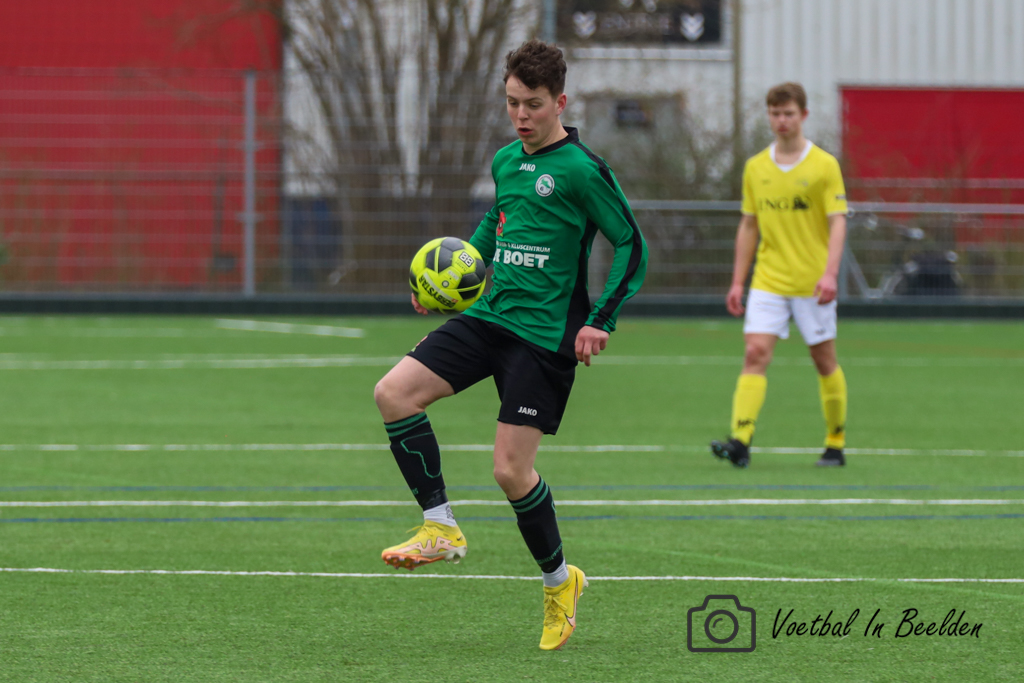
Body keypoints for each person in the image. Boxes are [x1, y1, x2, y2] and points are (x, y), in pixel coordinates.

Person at [373, 39, 648, 650]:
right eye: (513, 102)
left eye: (533, 104)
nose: (521, 115)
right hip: (489, 317)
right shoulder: (505, 162)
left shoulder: (582, 170)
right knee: (393, 393)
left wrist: (601, 319)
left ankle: (560, 583)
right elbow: (494, 226)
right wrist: (451, 279)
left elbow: (632, 243)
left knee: (510, 470)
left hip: (544, 338)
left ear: (560, 103)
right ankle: (440, 527)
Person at [711, 82, 849, 469]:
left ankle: (835, 443)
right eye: (775, 113)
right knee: (755, 353)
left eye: (789, 113)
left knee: (824, 360)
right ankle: (740, 440)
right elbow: (749, 225)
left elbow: (838, 222)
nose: (782, 120)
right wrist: (738, 281)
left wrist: (830, 274)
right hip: (768, 280)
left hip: (812, 283)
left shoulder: (824, 165)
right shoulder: (756, 167)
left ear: (803, 115)